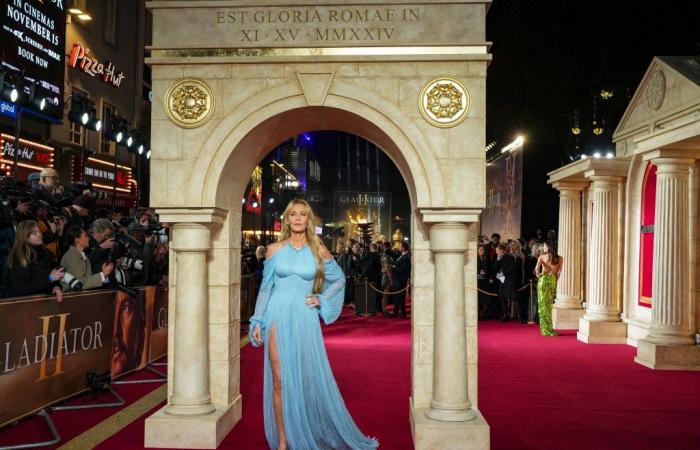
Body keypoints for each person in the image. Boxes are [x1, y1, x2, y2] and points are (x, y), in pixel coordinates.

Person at [248, 199, 377, 450]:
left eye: (303, 214)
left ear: (309, 220)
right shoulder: (274, 249)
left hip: (305, 318)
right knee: (279, 380)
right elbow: (265, 290)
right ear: (287, 219)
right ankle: (283, 441)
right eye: (293, 214)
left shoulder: (317, 248)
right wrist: (257, 320)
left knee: (304, 377)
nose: (297, 218)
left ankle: (304, 427)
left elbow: (339, 280)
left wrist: (320, 299)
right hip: (277, 315)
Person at [6, 221, 64, 301]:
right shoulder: (19, 257)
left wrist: (56, 286)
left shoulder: (45, 253)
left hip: (45, 300)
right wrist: (49, 278)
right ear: (25, 237)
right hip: (24, 306)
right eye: (34, 233)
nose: (39, 235)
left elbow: (53, 274)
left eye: (39, 232)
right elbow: (21, 288)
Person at [60, 226, 114, 292]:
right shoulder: (70, 256)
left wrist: (105, 274)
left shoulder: (82, 255)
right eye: (85, 236)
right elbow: (79, 283)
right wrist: (103, 274)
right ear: (77, 240)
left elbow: (88, 279)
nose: (88, 238)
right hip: (73, 298)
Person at [535, 240, 563, 336]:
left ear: (549, 247)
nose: (544, 248)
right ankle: (549, 328)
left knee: (543, 306)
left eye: (545, 246)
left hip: (543, 281)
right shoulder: (560, 258)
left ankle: (545, 329)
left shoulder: (542, 257)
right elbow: (558, 273)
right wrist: (554, 281)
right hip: (552, 281)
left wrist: (539, 275)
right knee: (549, 305)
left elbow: (536, 269)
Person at [391, 241, 411, 318]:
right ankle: (399, 312)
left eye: (400, 246)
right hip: (398, 279)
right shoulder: (401, 256)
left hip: (401, 279)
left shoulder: (406, 258)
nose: (399, 247)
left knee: (400, 297)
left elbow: (403, 269)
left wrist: (394, 268)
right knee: (398, 296)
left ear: (403, 248)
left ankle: (400, 312)